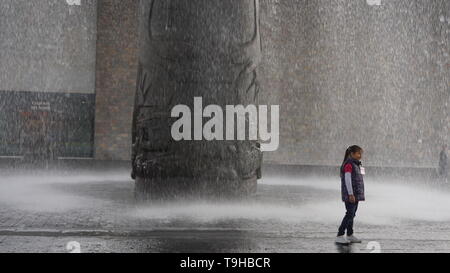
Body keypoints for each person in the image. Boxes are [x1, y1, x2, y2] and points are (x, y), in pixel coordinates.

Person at [335, 145, 365, 245]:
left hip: (356, 194)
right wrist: (351, 194)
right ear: (352, 154)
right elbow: (347, 180)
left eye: (361, 153)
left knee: (352, 214)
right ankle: (339, 235)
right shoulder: (349, 164)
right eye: (358, 153)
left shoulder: (356, 164)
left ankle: (350, 234)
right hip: (351, 195)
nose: (360, 155)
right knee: (349, 214)